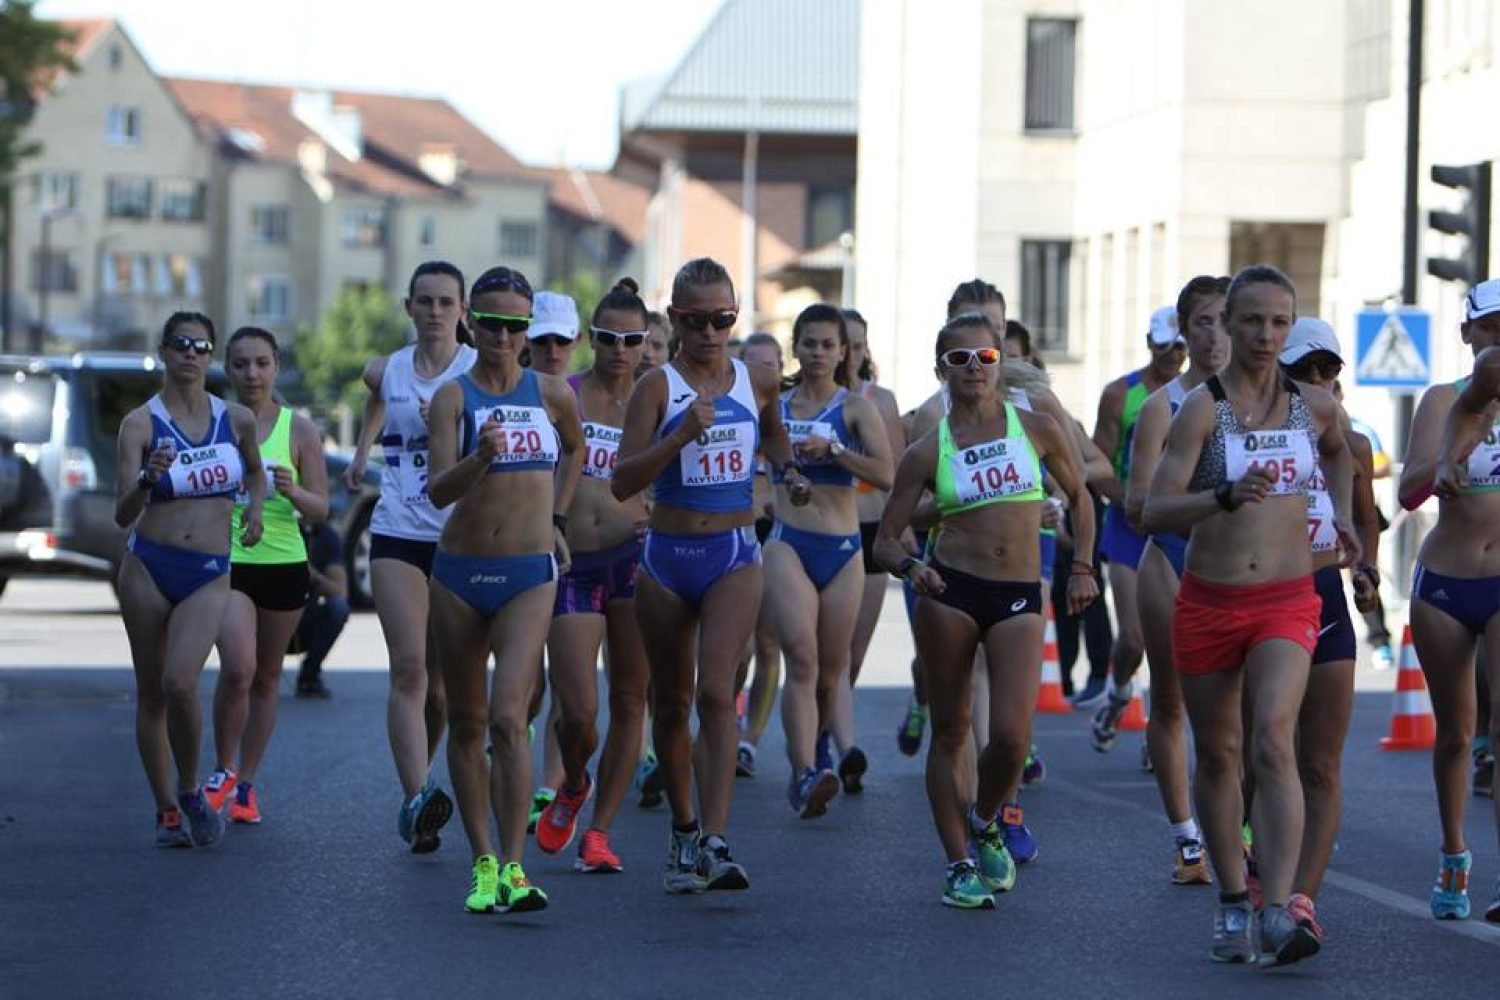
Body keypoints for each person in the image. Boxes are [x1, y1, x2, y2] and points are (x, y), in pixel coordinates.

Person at [1144, 264, 1356, 966]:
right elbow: (1153, 507)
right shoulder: (1202, 410)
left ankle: (1279, 908)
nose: (1266, 335)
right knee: (1222, 754)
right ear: (1227, 327)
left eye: (1278, 322)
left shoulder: (1314, 405)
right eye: (1253, 321)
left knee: (1272, 739)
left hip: (1288, 600)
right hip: (1210, 599)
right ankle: (1233, 899)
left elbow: (1342, 453)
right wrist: (1223, 497)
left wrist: (1345, 519)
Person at [874, 310, 1097, 909]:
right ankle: (956, 864)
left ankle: (988, 816)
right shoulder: (926, 450)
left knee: (1011, 738)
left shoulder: (1038, 427)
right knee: (950, 733)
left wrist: (1081, 567)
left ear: (1001, 364)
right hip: (950, 589)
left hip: (1020, 591)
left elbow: (1081, 496)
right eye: (960, 359)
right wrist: (911, 568)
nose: (974, 369)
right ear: (942, 369)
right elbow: (886, 539)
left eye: (986, 358)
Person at [612, 256, 813, 893]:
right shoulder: (657, 388)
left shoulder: (757, 380)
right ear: (673, 320)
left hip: (732, 552)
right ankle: (683, 828)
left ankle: (717, 841)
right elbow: (622, 481)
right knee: (669, 704)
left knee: (717, 693)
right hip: (667, 560)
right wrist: (677, 438)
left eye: (723, 318)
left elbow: (775, 438)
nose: (710, 331)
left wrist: (790, 475)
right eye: (697, 320)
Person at [427, 264, 584, 914]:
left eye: (515, 325)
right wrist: (479, 458)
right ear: (471, 323)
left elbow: (573, 451)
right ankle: (484, 861)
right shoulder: (453, 398)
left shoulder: (551, 392)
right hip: (460, 573)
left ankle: (517, 870)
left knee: (507, 717)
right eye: (490, 322)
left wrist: (555, 519)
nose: (502, 335)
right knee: (466, 724)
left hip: (527, 573)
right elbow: (437, 489)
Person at [114, 311, 265, 848]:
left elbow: (254, 471)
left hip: (208, 572)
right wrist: (146, 480)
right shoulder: (140, 424)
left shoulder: (237, 419)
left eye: (202, 347)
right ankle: (167, 811)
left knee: (182, 683)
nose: (191, 354)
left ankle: (189, 786)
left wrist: (255, 511)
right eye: (181, 344)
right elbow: (121, 511)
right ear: (164, 350)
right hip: (148, 567)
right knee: (152, 692)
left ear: (211, 356)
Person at [345, 260, 476, 853]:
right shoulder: (390, 368)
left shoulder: (478, 371)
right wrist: (360, 451)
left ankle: (424, 781)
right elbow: (376, 395)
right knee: (409, 671)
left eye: (446, 302)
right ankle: (417, 796)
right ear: (409, 308)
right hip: (398, 529)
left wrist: (451, 425)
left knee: (442, 690)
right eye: (424, 302)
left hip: (459, 535)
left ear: (463, 311)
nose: (434, 313)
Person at [535, 279, 653, 874]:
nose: (620, 349)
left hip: (635, 563)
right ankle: (575, 781)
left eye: (633, 339)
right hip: (574, 563)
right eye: (608, 337)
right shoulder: (565, 394)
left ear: (646, 342)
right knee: (577, 712)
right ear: (592, 339)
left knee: (632, 700)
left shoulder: (657, 402)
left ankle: (600, 832)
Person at [1273, 317, 1382, 942]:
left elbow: (1366, 521)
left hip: (1325, 598)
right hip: (1265, 597)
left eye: (1329, 369)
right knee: (1265, 754)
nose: (1317, 380)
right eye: (1304, 369)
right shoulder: (1252, 430)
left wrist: (1364, 569)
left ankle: (1301, 899)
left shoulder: (1353, 442)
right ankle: (1260, 865)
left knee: (1319, 763)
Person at [764, 304, 893, 818]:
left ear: (845, 353)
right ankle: (802, 774)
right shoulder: (774, 405)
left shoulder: (856, 409)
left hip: (843, 550)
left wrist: (836, 450)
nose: (817, 353)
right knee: (801, 657)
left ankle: (828, 749)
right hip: (788, 542)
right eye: (809, 343)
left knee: (833, 668)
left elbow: (887, 474)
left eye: (827, 345)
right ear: (794, 346)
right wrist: (788, 473)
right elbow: (760, 459)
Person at [1123, 275, 1229, 886]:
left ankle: (1238, 829)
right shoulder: (1161, 405)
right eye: (1203, 323)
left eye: (1225, 320)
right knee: (1170, 700)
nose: (1216, 335)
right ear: (1184, 334)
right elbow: (1139, 503)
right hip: (1171, 554)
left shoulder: (1261, 400)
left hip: (1240, 563)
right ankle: (1187, 838)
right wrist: (1209, 500)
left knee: (1241, 710)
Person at [1403, 277, 1500, 923]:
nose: (1498, 340)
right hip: (1444, 582)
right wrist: (1442, 463)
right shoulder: (1441, 400)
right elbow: (1409, 491)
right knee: (1455, 735)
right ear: (1467, 333)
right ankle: (1453, 852)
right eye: (1488, 328)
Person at [207, 327, 329, 824]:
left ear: (276, 366)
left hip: (283, 562)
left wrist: (294, 493)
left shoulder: (298, 430)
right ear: (228, 370)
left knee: (268, 677)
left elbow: (321, 508)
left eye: (261, 363)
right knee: (238, 668)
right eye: (240, 364)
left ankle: (247, 784)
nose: (252, 374)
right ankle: (222, 769)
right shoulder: (212, 422)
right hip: (228, 561)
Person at [1087, 306, 1187, 747]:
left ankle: (1161, 729)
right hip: (1130, 525)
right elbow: (1097, 464)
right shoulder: (1120, 395)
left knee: (1176, 640)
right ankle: (1120, 690)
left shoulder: (1206, 394)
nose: (1172, 353)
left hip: (1183, 525)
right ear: (1149, 343)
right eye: (1164, 345)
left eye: (1179, 345)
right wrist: (1130, 500)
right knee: (1133, 636)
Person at [830, 308, 905, 792]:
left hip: (873, 530)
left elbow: (899, 472)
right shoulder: (809, 401)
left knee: (851, 657)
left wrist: (904, 534)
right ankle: (835, 747)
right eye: (845, 344)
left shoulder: (883, 401)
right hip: (829, 529)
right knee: (826, 654)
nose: (852, 354)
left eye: (858, 345)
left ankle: (832, 737)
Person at [731, 332, 785, 778]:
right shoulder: (731, 407)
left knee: (768, 644)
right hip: (735, 529)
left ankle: (749, 741)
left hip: (779, 533)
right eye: (755, 363)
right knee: (739, 647)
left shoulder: (788, 412)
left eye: (772, 364)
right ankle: (726, 720)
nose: (764, 372)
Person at [295, 519, 349, 698]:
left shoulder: (324, 535)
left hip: (303, 621)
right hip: (266, 617)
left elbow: (339, 590)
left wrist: (312, 575)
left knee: (338, 607)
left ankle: (310, 673)